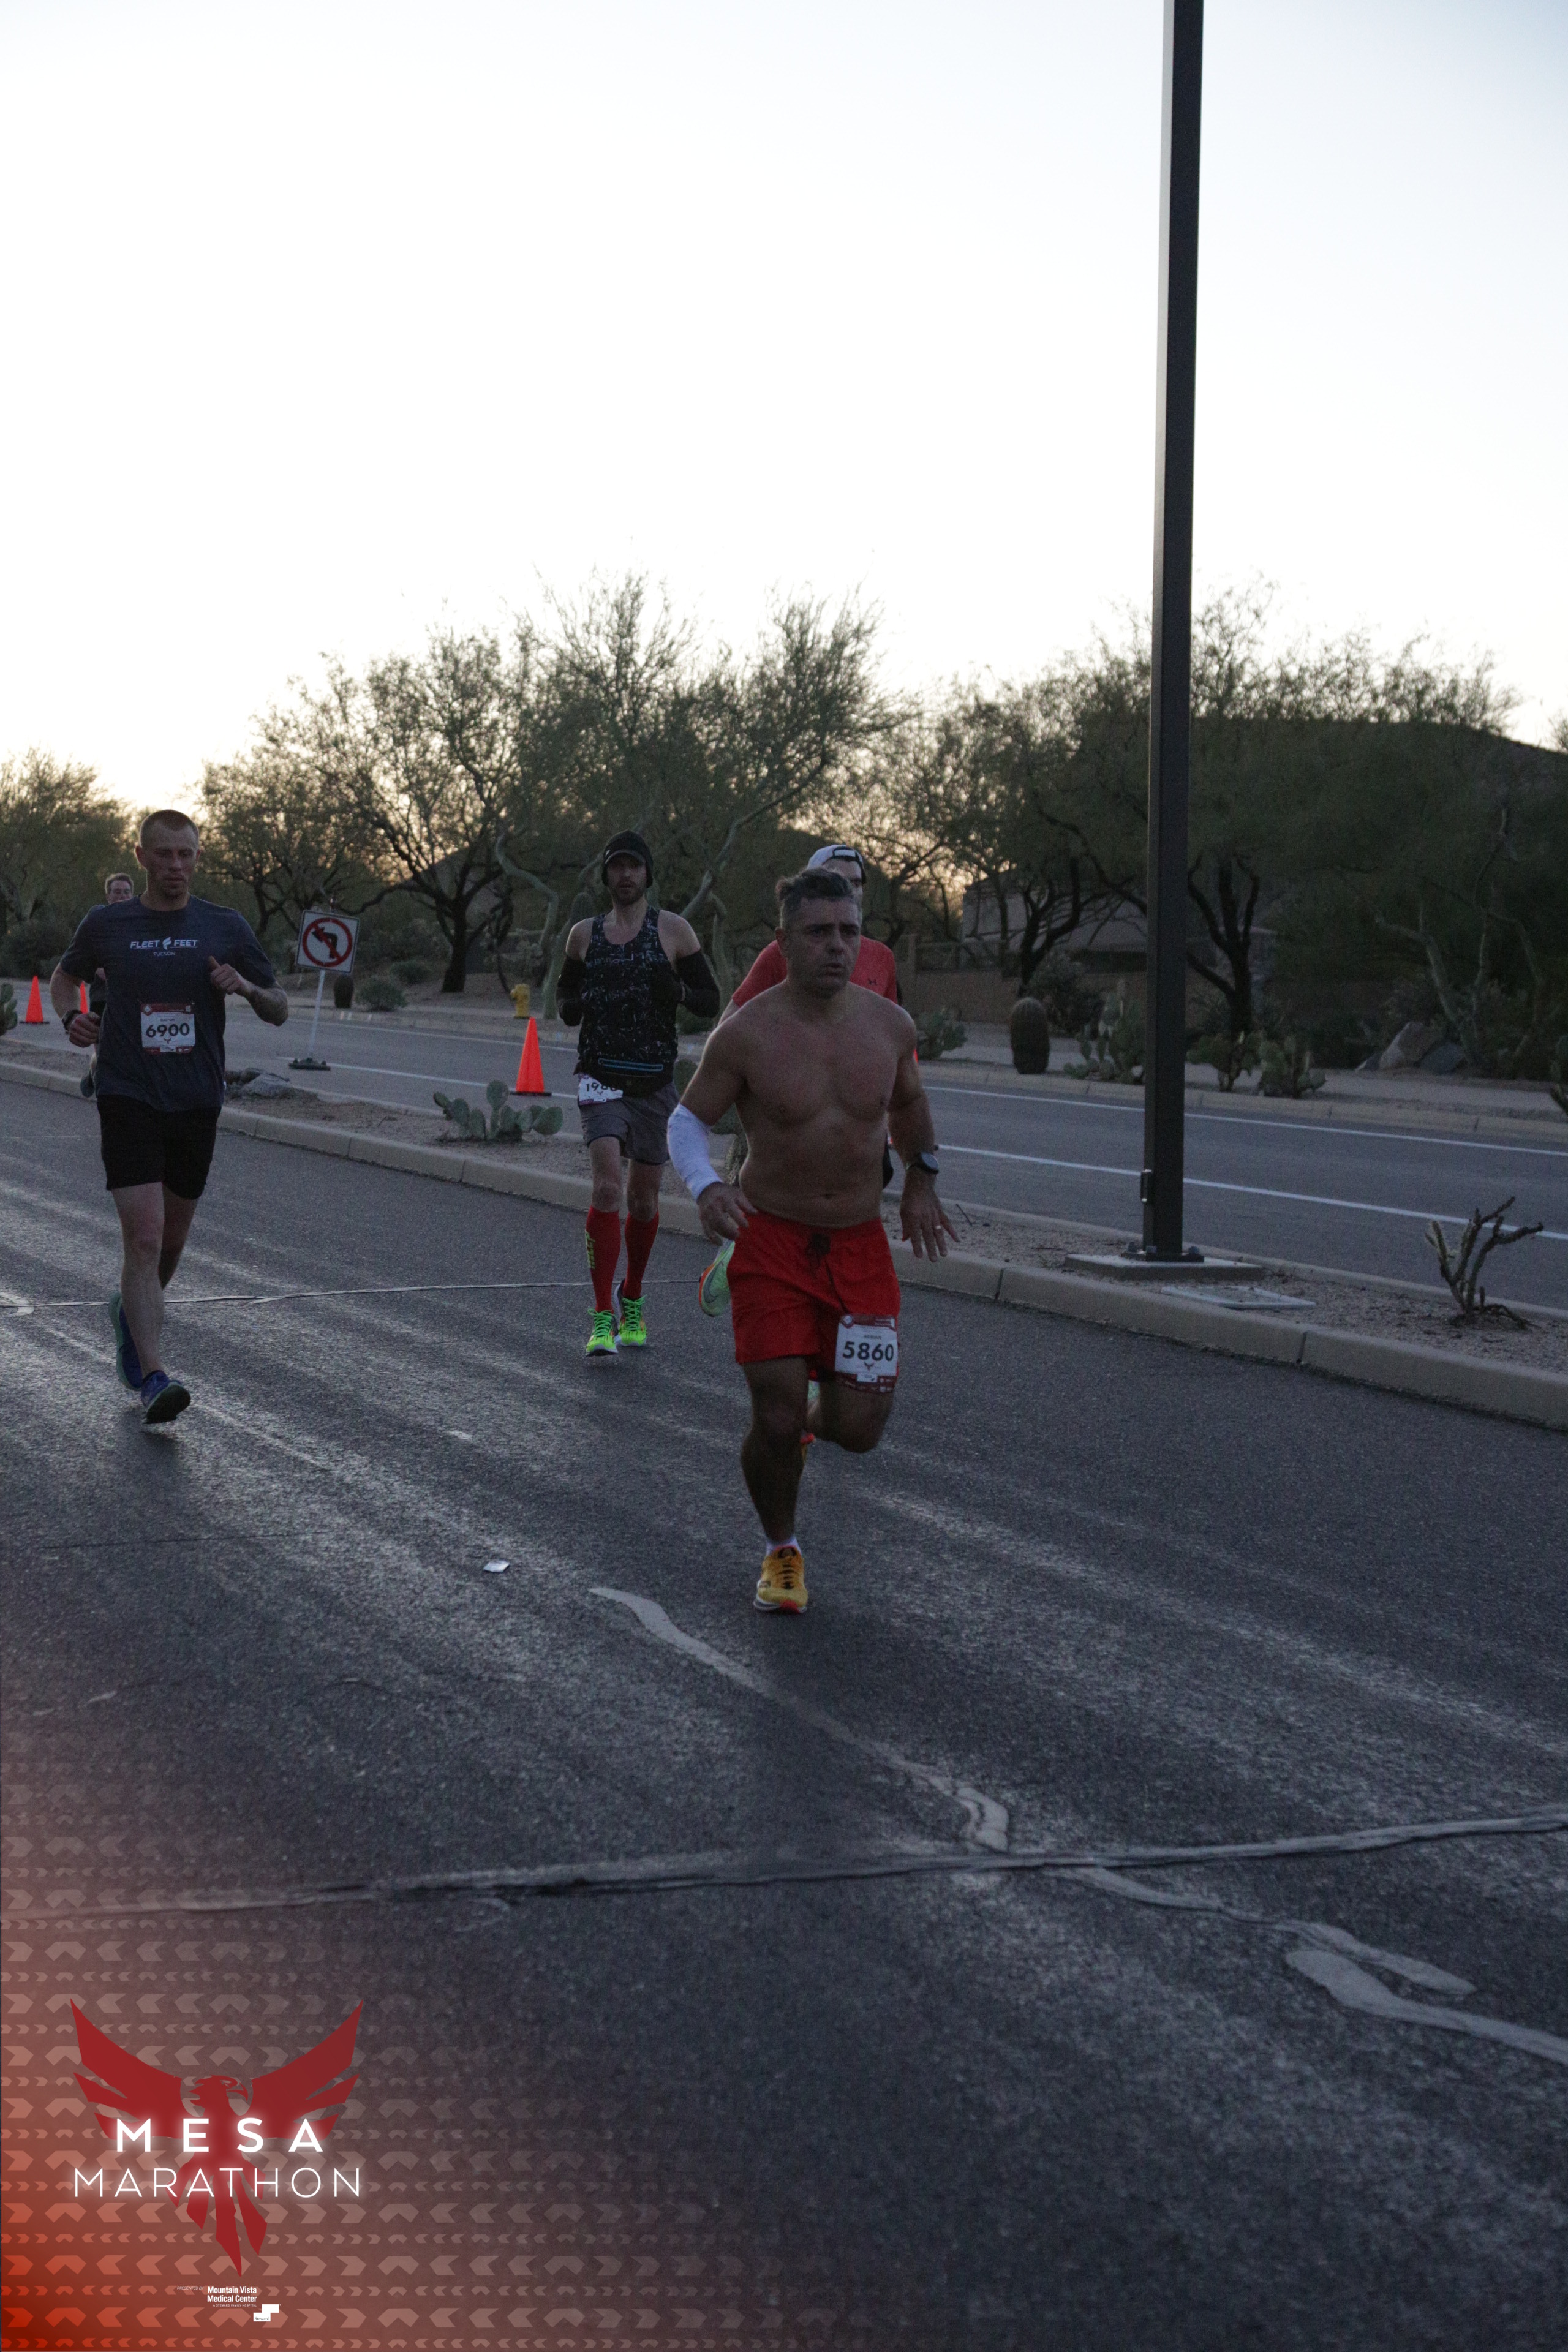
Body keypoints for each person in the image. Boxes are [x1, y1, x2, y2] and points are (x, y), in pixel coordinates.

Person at [667, 866, 955, 1613]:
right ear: (784, 941)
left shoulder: (889, 1027)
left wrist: (921, 1181)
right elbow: (687, 1121)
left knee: (859, 1430)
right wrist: (707, 1187)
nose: (837, 946)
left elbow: (910, 1106)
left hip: (857, 1245)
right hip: (770, 1240)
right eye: (818, 932)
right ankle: (781, 1552)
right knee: (775, 1414)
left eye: (848, 932)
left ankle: (805, 1424)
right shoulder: (746, 1033)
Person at [51, 810, 288, 1424]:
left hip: (196, 1099)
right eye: (164, 854)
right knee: (145, 1236)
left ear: (198, 856)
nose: (176, 866)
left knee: (172, 1244)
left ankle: (128, 1315)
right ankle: (154, 1376)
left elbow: (280, 1006)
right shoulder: (108, 923)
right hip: (127, 1094)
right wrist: (71, 1018)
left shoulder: (224, 926)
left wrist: (247, 989)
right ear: (142, 857)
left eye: (186, 854)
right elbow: (64, 977)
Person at [697, 842, 902, 1316]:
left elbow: (893, 1039)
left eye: (856, 883)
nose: (849, 888)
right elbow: (731, 1025)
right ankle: (740, 1258)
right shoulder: (782, 954)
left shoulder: (881, 959)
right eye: (837, 878)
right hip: (784, 1113)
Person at [557, 831, 720, 1357]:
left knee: (643, 1201)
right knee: (607, 1190)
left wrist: (677, 991)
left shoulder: (673, 930)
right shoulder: (584, 934)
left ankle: (632, 1295)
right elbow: (564, 993)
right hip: (600, 1076)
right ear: (606, 875)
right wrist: (572, 1006)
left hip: (653, 1082)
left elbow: (710, 1000)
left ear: (647, 874)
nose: (625, 875)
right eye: (617, 867)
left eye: (634, 866)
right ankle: (601, 1313)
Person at [78, 873, 137, 1099]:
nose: (122, 896)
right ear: (108, 896)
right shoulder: (98, 922)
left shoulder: (140, 923)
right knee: (103, 1049)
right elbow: (84, 958)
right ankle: (96, 1073)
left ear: (133, 895)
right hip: (102, 996)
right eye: (117, 892)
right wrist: (100, 970)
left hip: (131, 998)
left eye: (126, 892)